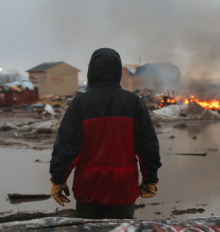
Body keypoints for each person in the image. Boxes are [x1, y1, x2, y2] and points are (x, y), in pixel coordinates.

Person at [49, 47, 161, 219]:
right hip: (123, 189)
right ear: (118, 71)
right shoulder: (133, 103)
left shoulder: (80, 104)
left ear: (91, 72)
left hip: (89, 189)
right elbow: (147, 146)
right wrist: (150, 179)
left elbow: (66, 147)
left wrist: (58, 179)